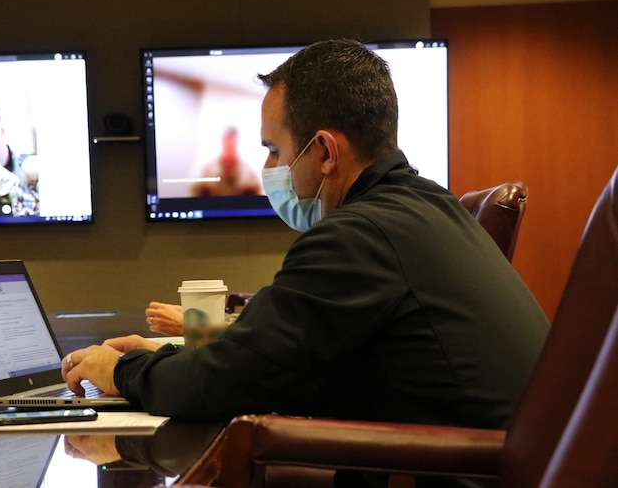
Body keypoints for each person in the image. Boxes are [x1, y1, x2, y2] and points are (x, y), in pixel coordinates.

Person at [62, 39, 549, 482]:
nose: (269, 170)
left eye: (274, 151)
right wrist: (164, 358)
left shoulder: (358, 236)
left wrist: (120, 372)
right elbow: (279, 367)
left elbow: (226, 384)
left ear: (325, 152)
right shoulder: (424, 207)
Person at [190, 125, 263, 197]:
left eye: (232, 140)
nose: (229, 144)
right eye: (227, 140)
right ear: (223, 140)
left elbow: (258, 196)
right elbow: (195, 194)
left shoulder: (247, 171)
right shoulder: (209, 169)